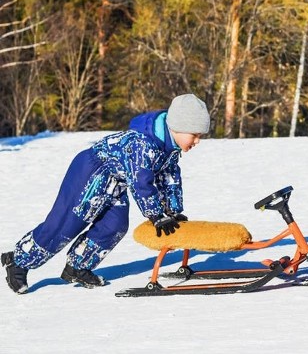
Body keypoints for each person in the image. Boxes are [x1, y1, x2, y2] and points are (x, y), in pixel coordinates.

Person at [1, 93, 210, 294]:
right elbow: (141, 182)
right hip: (90, 173)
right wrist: (155, 215)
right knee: (66, 224)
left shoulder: (170, 148)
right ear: (179, 127)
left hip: (116, 182)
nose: (197, 141)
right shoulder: (143, 143)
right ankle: (18, 261)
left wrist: (171, 212)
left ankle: (77, 267)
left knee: (115, 226)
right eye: (195, 135)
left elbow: (169, 178)